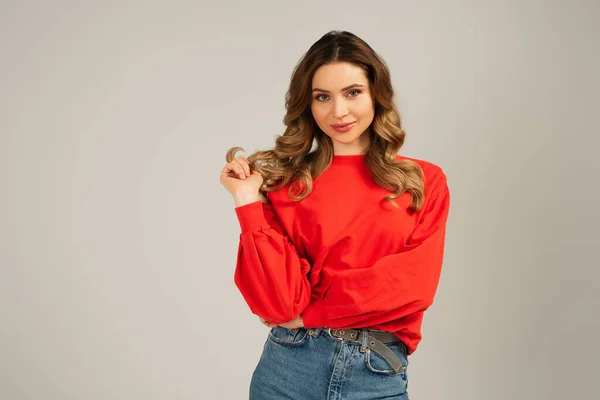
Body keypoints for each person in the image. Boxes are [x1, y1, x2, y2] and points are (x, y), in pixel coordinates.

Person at [219, 30, 450, 400]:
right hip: (286, 370)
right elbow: (278, 304)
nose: (338, 111)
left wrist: (313, 312)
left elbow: (409, 286)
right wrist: (247, 202)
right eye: (322, 97)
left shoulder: (423, 180)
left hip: (374, 371)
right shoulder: (284, 183)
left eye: (353, 92)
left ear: (377, 93)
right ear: (307, 105)